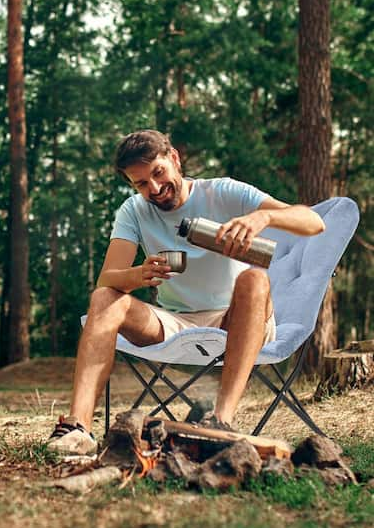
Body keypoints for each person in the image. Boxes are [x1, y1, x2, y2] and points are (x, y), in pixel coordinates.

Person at [47, 129, 325, 456]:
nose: (154, 188)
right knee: (103, 298)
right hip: (175, 322)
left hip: (236, 320)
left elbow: (314, 222)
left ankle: (220, 423)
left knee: (255, 279)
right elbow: (108, 279)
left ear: (174, 159)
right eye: (140, 183)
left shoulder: (223, 192)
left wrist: (262, 216)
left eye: (158, 173)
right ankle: (78, 429)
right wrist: (138, 274)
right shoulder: (133, 211)